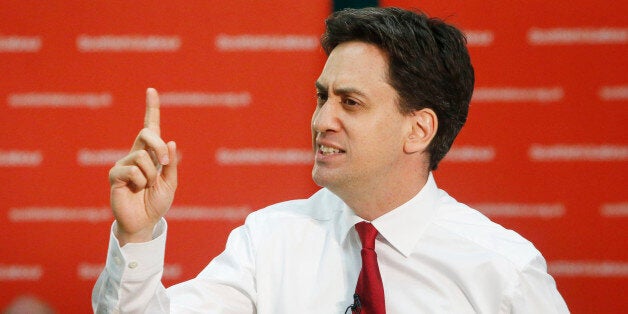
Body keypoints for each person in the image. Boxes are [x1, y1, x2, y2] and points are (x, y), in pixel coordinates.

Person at [92, 7, 569, 313]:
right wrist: (136, 236)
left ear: (418, 129)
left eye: (351, 102)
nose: (322, 120)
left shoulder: (503, 272)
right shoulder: (270, 241)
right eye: (323, 97)